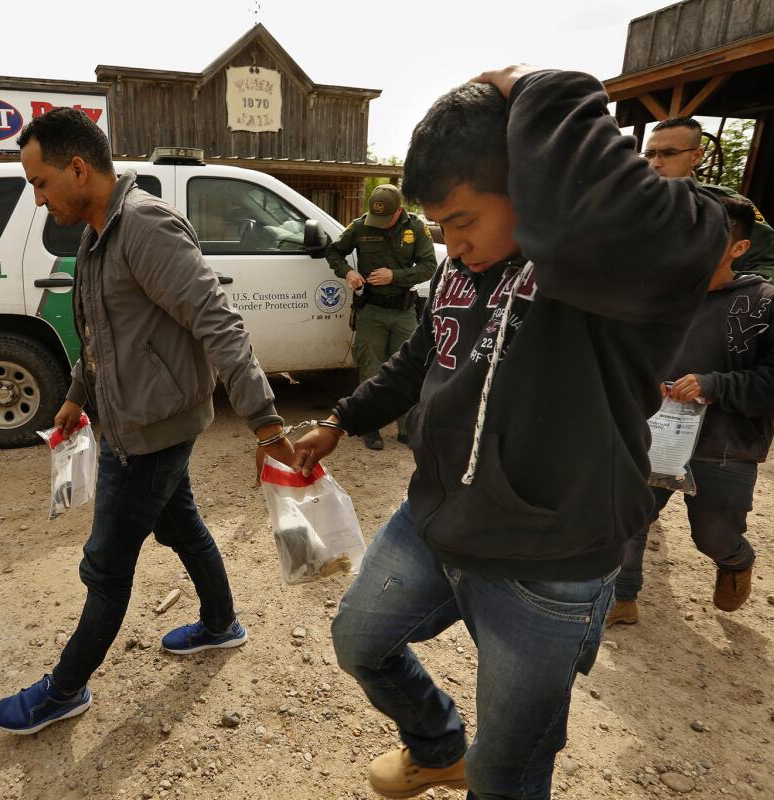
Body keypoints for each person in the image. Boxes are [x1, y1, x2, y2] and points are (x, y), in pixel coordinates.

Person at [290, 66, 730, 799]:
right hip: (438, 522)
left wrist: (538, 84)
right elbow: (421, 357)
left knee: (508, 769)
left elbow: (654, 223)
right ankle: (435, 747)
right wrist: (343, 418)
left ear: (528, 184)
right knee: (358, 642)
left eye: (463, 222)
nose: (452, 246)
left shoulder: (611, 265)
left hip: (550, 561)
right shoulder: (462, 271)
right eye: (440, 229)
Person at [0, 108, 295, 735]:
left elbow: (218, 320)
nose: (39, 199)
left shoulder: (146, 227)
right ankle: (220, 624)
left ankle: (65, 689)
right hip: (132, 419)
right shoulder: (97, 230)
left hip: (151, 430)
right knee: (180, 523)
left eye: (41, 183)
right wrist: (77, 391)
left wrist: (265, 421)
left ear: (78, 169)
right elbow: (99, 331)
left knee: (106, 567)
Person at [607, 195, 774, 626]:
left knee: (713, 534)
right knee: (628, 518)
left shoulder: (768, 304)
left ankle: (735, 561)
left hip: (725, 445)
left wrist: (716, 385)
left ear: (738, 248)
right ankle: (621, 599)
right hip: (654, 436)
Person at [325, 184, 437, 450]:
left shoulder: (417, 229)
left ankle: (407, 428)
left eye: (386, 218)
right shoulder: (361, 226)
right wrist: (348, 273)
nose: (380, 224)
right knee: (370, 366)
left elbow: (429, 266)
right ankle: (370, 427)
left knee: (410, 368)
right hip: (371, 310)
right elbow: (334, 251)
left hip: (403, 311)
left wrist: (394, 276)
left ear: (399, 211)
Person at [644, 117, 774, 289]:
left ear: (696, 156)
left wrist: (734, 300)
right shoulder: (628, 204)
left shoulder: (727, 206)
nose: (655, 163)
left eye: (669, 153)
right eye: (649, 154)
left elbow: (770, 266)